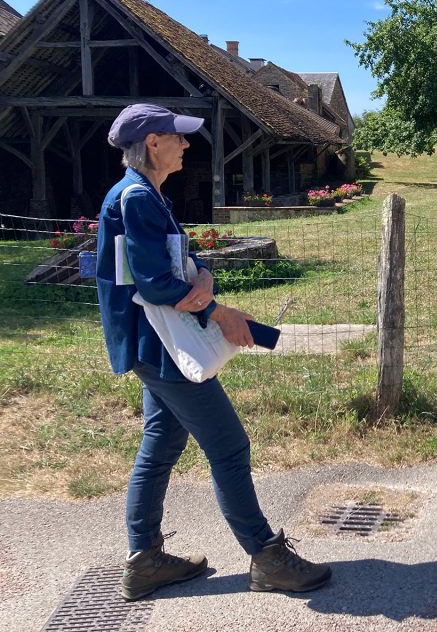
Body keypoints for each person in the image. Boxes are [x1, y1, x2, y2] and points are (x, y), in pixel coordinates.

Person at [96, 104, 331, 601]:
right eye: (177, 138)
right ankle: (267, 557)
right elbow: (158, 284)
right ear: (152, 143)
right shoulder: (137, 197)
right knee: (229, 447)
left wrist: (202, 277)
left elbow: (175, 264)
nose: (186, 145)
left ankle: (146, 561)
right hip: (160, 346)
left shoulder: (144, 194)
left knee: (159, 445)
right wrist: (216, 309)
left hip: (151, 343)